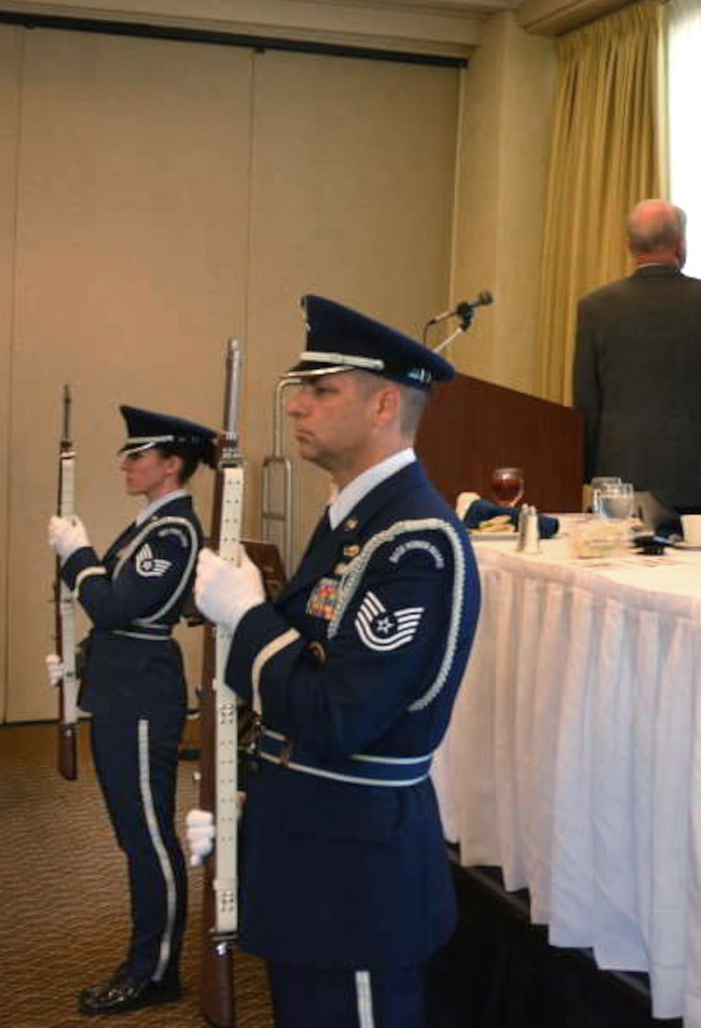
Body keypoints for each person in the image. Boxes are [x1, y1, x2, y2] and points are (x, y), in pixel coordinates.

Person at [186, 295, 479, 1027]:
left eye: (322, 389)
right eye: (300, 389)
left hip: (357, 870)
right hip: (310, 842)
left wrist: (248, 617)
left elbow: (337, 713)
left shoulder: (414, 541)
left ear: (384, 404)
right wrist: (241, 809)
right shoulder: (352, 519)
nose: (297, 407)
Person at [46, 405, 214, 1016]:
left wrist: (78, 553)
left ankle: (155, 969)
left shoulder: (173, 533)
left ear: (172, 465)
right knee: (132, 834)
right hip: (120, 687)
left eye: (138, 456)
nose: (127, 463)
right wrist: (78, 663)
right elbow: (116, 621)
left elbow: (116, 607)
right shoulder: (149, 523)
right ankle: (147, 958)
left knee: (148, 839)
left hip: (143, 695)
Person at [574, 199, 701, 517]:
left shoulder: (595, 307)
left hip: (621, 477)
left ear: (629, 246)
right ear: (681, 245)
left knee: (620, 568)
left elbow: (587, 400)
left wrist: (586, 473)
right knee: (698, 565)